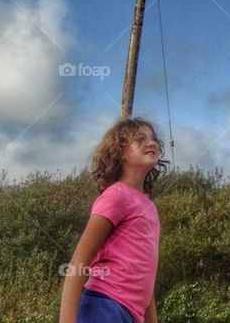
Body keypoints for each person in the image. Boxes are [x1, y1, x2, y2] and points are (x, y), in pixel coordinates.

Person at [59, 118, 168, 323]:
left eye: (153, 139)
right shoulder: (116, 196)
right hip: (104, 306)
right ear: (121, 153)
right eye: (140, 139)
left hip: (129, 314)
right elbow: (78, 264)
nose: (151, 143)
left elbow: (145, 279)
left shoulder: (149, 207)